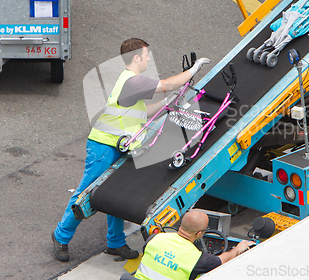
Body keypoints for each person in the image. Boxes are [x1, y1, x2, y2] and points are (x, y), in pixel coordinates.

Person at [52, 38, 210, 262]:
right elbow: (164, 84)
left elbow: (143, 111)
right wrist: (192, 71)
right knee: (86, 193)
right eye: (146, 56)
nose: (148, 59)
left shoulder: (131, 83)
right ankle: (61, 236)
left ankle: (115, 242)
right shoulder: (130, 81)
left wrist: (168, 102)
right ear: (136, 58)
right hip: (104, 145)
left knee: (114, 194)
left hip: (120, 145)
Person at [133, 210, 255, 280]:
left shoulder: (155, 238)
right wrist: (238, 249)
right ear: (199, 233)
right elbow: (222, 260)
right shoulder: (198, 259)